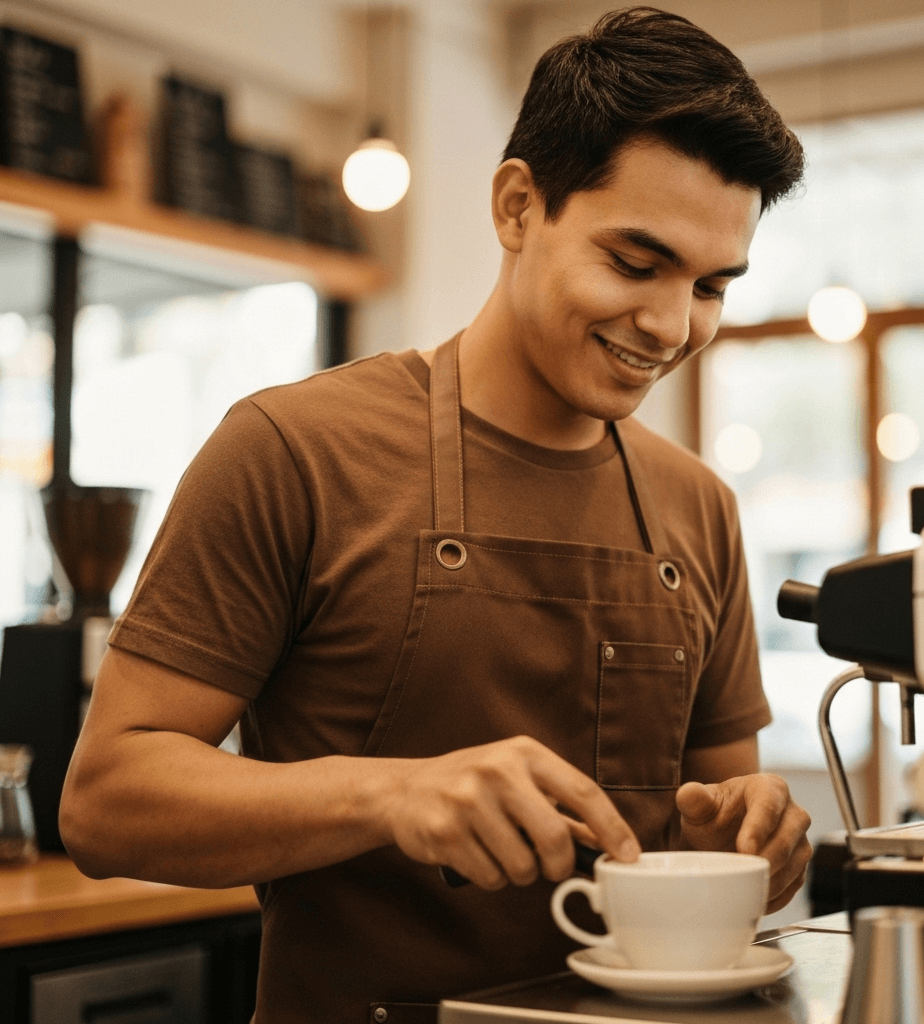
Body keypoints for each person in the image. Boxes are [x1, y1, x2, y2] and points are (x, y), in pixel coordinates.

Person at [60, 7, 812, 1022]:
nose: (673, 326)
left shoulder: (697, 508)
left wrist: (755, 845)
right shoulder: (292, 451)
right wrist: (388, 794)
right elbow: (105, 803)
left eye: (712, 285)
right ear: (516, 206)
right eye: (635, 263)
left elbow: (714, 842)